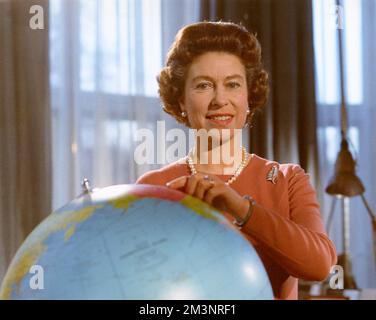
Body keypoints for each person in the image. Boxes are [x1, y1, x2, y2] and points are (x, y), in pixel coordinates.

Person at [135, 21, 337, 300]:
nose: (220, 99)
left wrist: (241, 208)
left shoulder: (287, 180)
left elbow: (320, 266)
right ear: (181, 99)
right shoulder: (154, 187)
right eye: (204, 85)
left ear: (249, 97)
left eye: (232, 85)